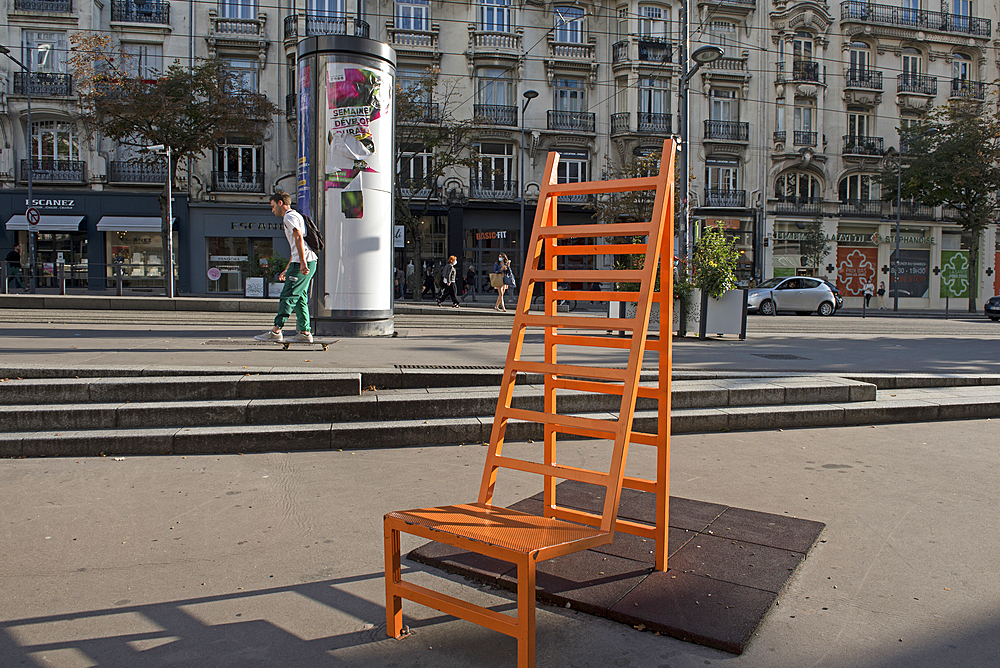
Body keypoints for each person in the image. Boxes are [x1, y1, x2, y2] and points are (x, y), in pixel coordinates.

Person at [254, 192, 318, 343]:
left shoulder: (289, 217)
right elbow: (295, 247)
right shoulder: (295, 215)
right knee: (300, 298)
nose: (272, 210)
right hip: (305, 261)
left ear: (280, 203)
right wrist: (288, 267)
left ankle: (276, 330)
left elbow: (297, 236)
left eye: (273, 206)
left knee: (287, 296)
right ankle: (305, 332)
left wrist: (302, 262)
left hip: (304, 262)